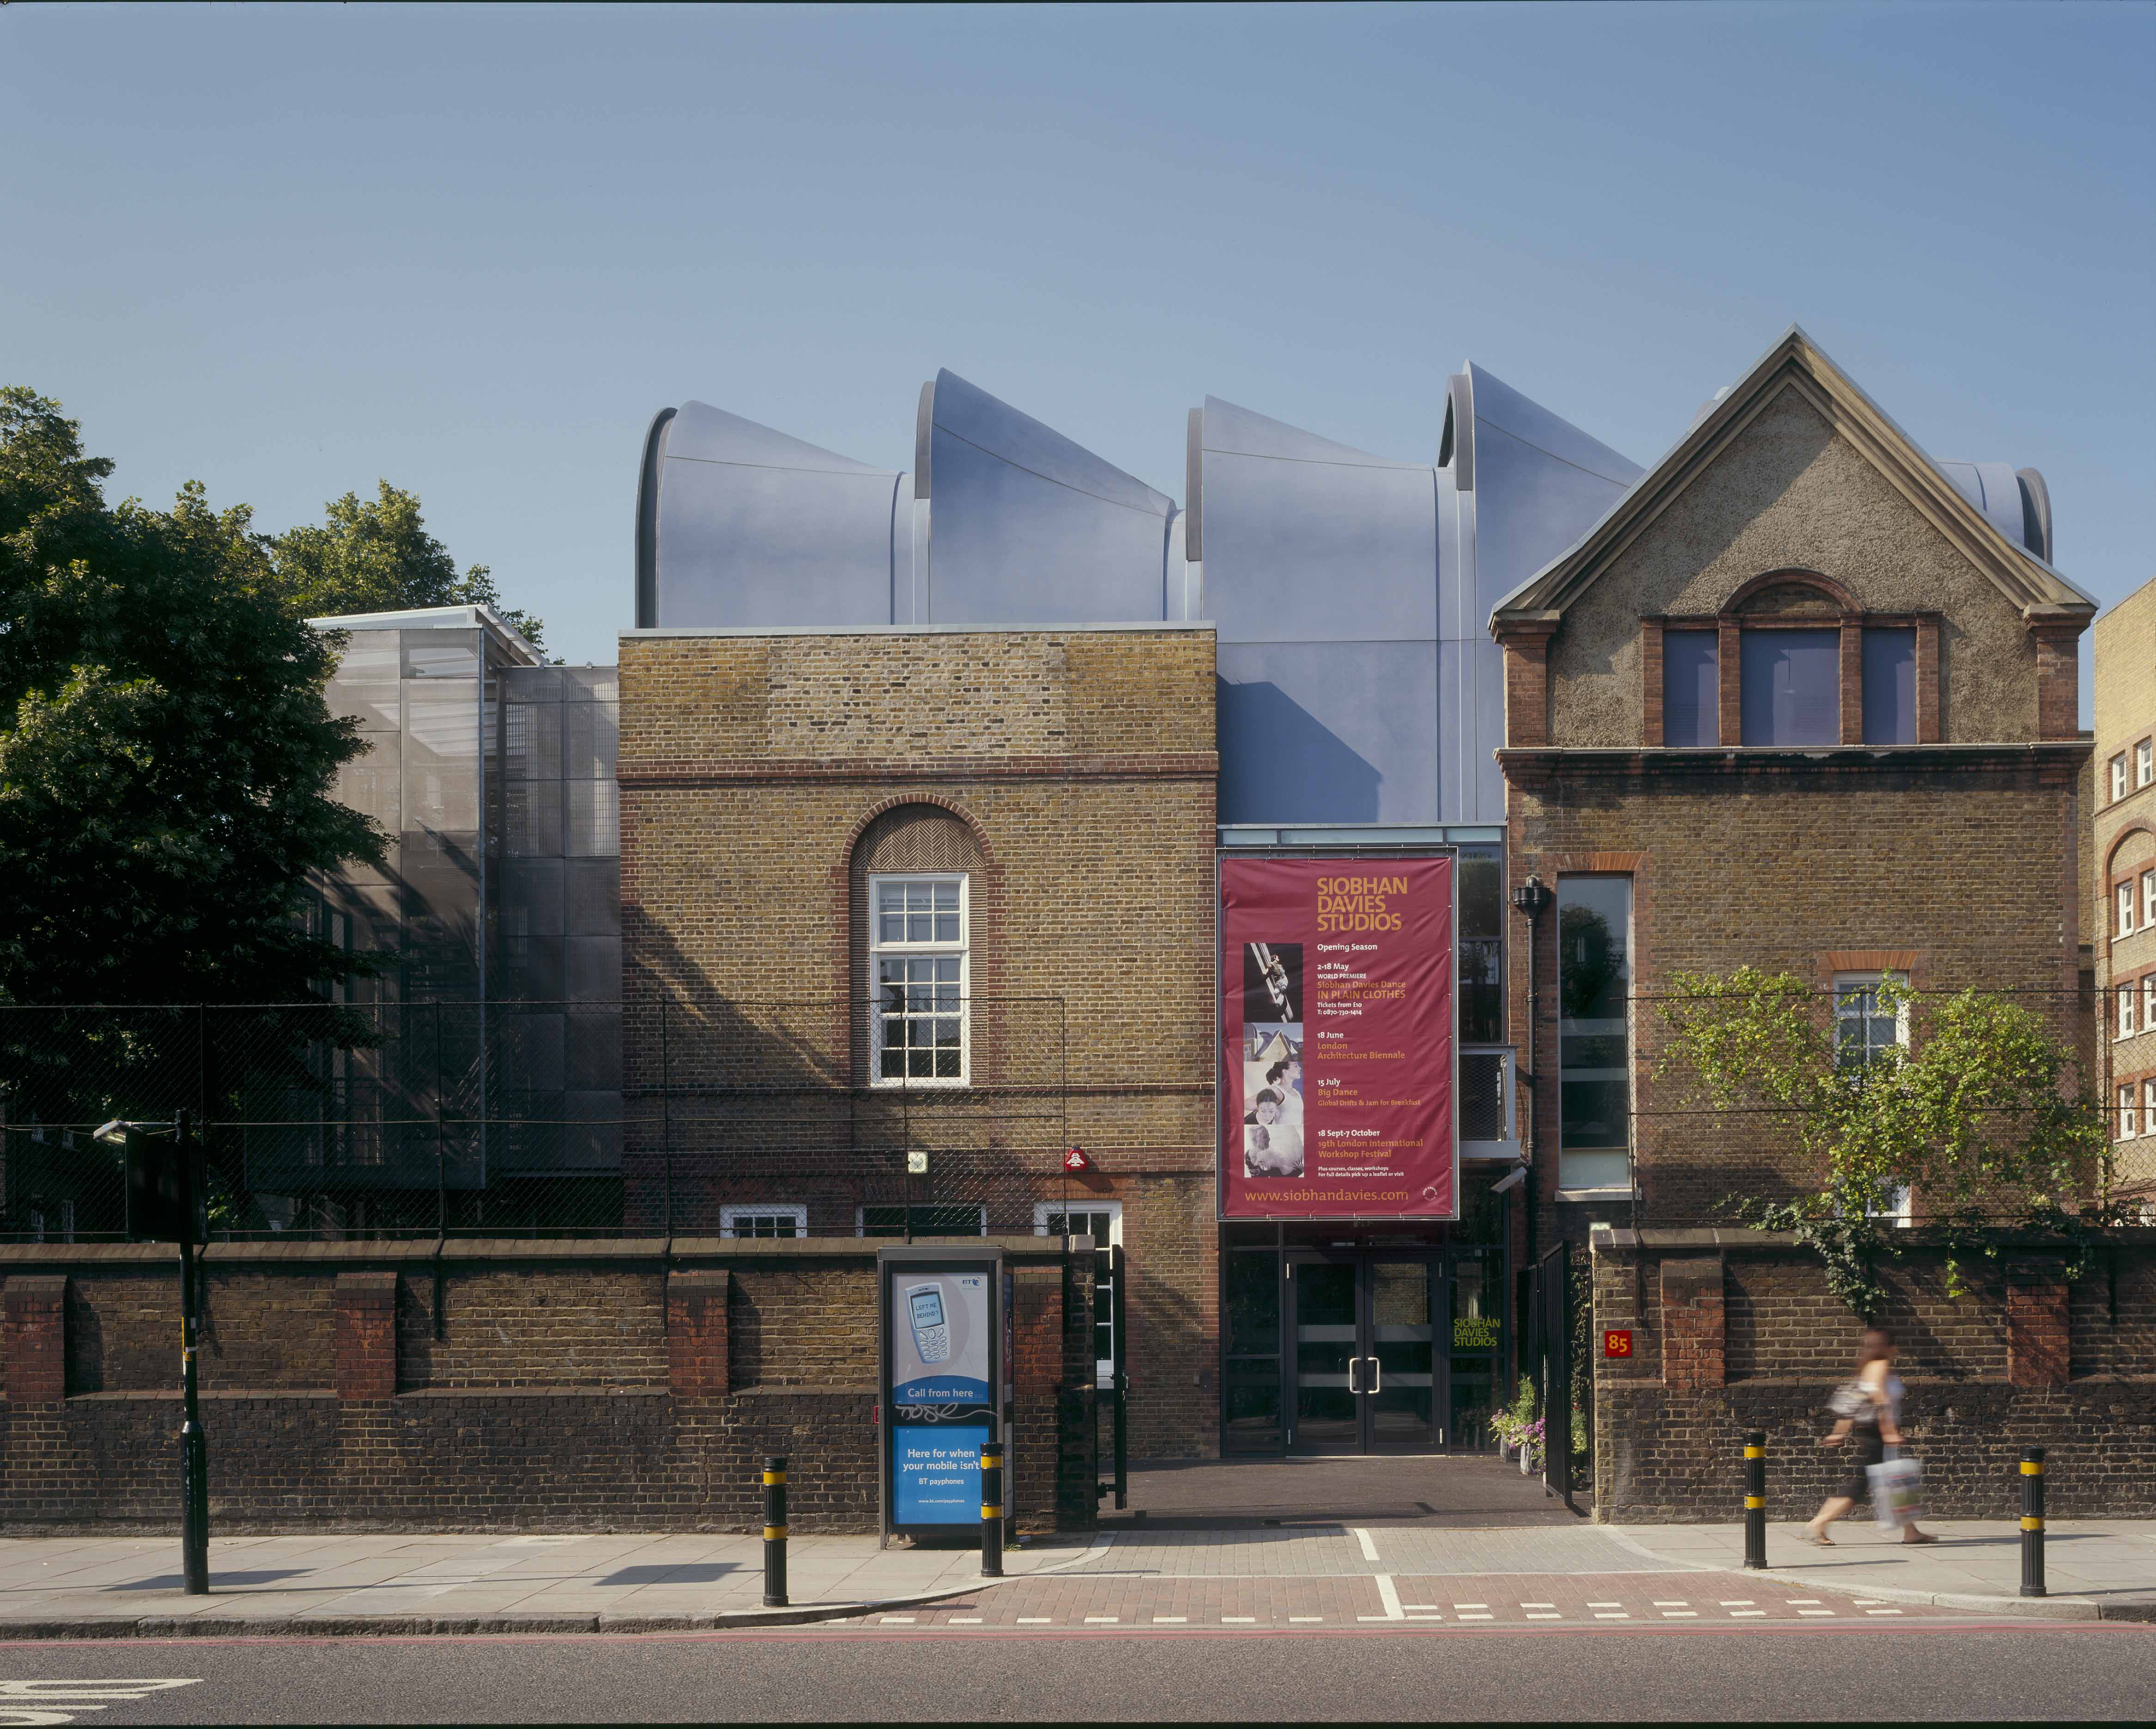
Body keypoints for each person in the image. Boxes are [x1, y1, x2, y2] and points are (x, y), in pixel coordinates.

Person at [1804, 1325, 1935, 1546]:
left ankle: (1911, 1532)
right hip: (1878, 1433)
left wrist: (1839, 1433)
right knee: (1861, 1483)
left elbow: (1854, 1403)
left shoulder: (1867, 1368)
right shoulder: (1881, 1366)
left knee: (1895, 1482)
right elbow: (1880, 1400)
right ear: (1890, 1347)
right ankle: (1819, 1522)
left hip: (1871, 1432)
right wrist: (1890, 1432)